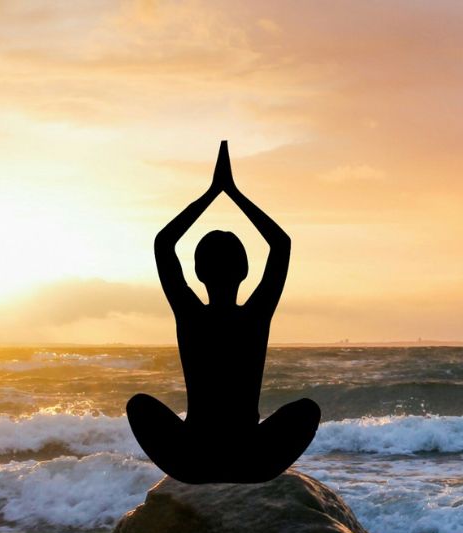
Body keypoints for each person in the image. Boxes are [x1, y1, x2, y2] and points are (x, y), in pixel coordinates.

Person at [127, 141, 320, 483]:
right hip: (250, 460)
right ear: (244, 272)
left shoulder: (190, 314)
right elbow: (281, 244)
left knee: (138, 405)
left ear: (199, 273)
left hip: (194, 460)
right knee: (307, 410)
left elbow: (163, 243)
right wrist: (234, 193)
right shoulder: (256, 315)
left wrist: (212, 193)